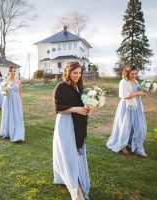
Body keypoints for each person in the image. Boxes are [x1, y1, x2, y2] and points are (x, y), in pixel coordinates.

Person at [53, 62, 91, 200]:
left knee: (76, 153)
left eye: (80, 73)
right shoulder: (61, 87)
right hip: (66, 123)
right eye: (75, 73)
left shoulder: (80, 86)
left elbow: (82, 104)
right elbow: (58, 108)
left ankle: (77, 178)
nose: (77, 75)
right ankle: (77, 191)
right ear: (68, 72)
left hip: (78, 123)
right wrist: (75, 109)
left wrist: (88, 108)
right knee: (69, 153)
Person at [106, 65, 148, 157]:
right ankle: (122, 145)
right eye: (132, 74)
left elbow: (137, 93)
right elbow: (124, 95)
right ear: (127, 73)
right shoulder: (123, 82)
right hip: (127, 107)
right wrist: (138, 93)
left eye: (135, 74)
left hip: (137, 106)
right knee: (125, 126)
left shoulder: (136, 81)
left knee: (140, 127)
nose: (134, 75)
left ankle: (135, 144)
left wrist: (144, 92)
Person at [0, 66, 24, 142]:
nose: (13, 72)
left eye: (14, 71)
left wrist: (20, 103)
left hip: (16, 101)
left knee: (17, 116)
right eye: (12, 71)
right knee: (9, 115)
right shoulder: (5, 81)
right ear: (9, 72)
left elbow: (20, 93)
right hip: (8, 100)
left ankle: (18, 133)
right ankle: (8, 132)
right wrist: (5, 92)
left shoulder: (19, 81)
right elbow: (2, 92)